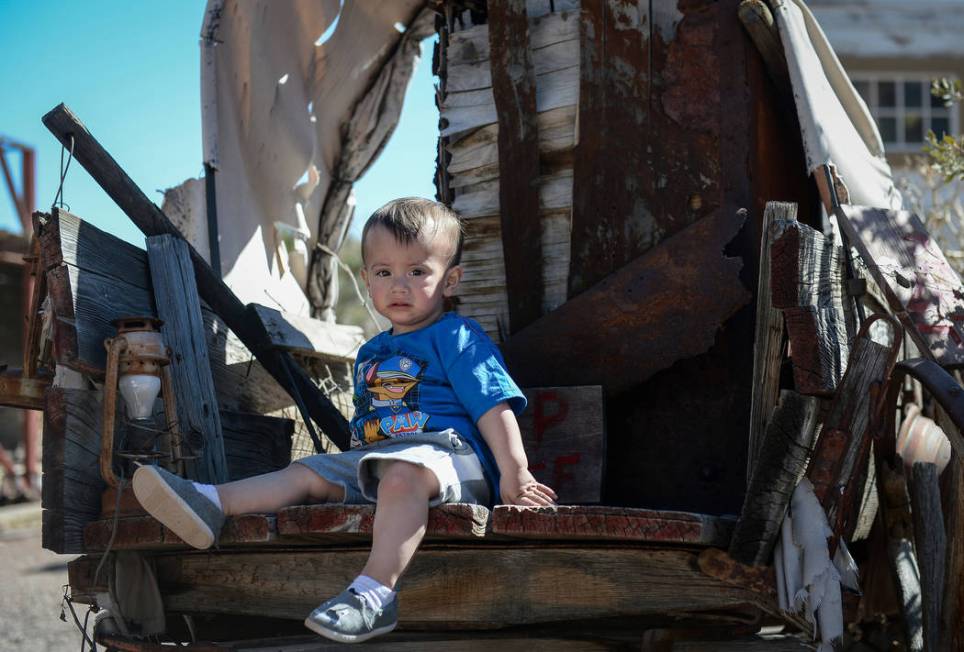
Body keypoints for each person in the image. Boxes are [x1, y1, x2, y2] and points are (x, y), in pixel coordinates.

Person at [131, 197, 556, 644]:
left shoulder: (456, 336)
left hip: (449, 457)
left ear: (450, 280)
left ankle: (375, 595)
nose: (399, 285)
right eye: (384, 272)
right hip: (380, 457)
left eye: (417, 272)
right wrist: (348, 468)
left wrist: (515, 472)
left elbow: (493, 404)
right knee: (306, 473)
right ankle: (211, 502)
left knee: (399, 477)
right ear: (368, 279)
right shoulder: (372, 352)